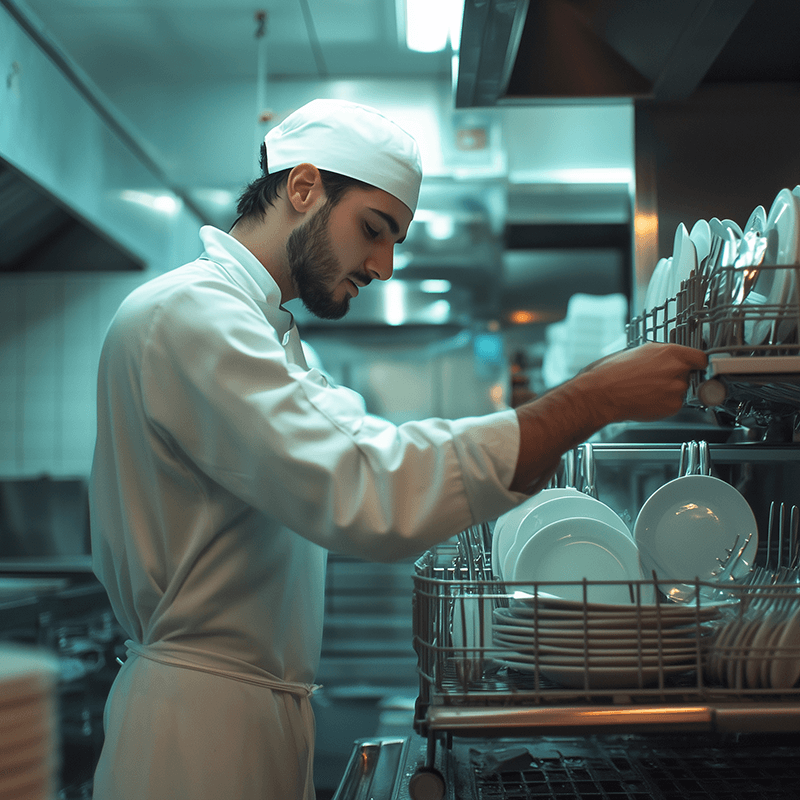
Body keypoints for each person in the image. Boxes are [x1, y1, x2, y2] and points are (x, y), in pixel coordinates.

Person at [88, 98, 707, 800]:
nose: (383, 264)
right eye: (374, 229)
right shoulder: (190, 314)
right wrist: (592, 400)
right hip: (192, 742)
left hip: (237, 717)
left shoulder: (260, 329)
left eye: (394, 241)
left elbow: (363, 460)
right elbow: (369, 484)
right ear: (302, 187)